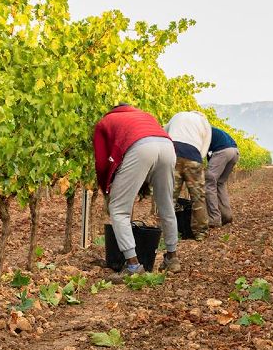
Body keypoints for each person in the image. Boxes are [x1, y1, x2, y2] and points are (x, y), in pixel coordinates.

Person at [92, 104, 179, 276]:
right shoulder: (146, 115)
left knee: (117, 209)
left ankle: (133, 266)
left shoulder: (105, 121)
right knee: (166, 205)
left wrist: (107, 189)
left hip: (140, 148)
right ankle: (172, 258)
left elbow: (102, 163)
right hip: (168, 147)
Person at [165, 111, 211, 239]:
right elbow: (204, 148)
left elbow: (164, 131)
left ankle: (167, 233)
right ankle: (200, 233)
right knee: (198, 197)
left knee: (169, 197)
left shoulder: (177, 115)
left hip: (172, 153)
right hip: (193, 157)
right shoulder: (204, 122)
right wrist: (196, 161)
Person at [206, 126, 240, 228]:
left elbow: (202, 151)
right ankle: (227, 216)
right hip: (235, 152)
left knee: (209, 184)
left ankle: (214, 219)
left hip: (222, 152)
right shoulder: (214, 130)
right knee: (220, 183)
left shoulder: (202, 129)